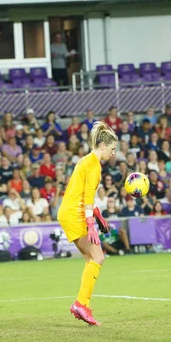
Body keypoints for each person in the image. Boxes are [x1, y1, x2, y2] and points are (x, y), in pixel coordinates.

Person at [57, 122, 117, 326]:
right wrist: (91, 224)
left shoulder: (85, 160)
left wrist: (96, 214)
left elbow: (81, 193)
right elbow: (88, 197)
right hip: (76, 214)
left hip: (69, 212)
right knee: (98, 257)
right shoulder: (94, 164)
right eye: (112, 149)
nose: (113, 153)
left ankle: (81, 304)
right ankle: (81, 304)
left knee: (91, 258)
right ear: (102, 146)